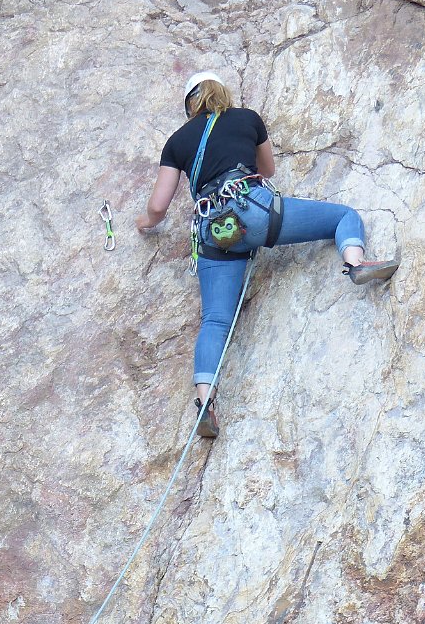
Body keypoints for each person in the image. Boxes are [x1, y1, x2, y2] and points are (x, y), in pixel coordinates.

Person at [136, 72, 400, 438]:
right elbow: (268, 170)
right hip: (255, 211)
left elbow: (158, 207)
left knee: (214, 320)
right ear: (223, 94)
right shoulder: (247, 118)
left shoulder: (177, 141)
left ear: (190, 107)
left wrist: (142, 222)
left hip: (215, 232)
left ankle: (205, 402)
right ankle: (354, 262)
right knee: (343, 216)